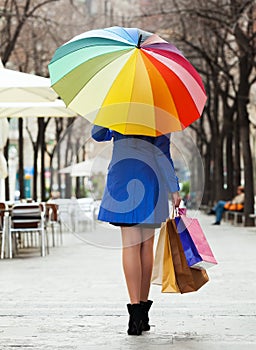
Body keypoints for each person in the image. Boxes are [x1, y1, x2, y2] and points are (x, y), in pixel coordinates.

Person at [91, 125, 181, 336]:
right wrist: (174, 188)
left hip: (122, 176)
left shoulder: (117, 107)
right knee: (146, 245)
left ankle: (134, 315)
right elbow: (163, 153)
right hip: (150, 177)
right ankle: (142, 311)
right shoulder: (158, 111)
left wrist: (107, 113)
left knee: (130, 245)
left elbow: (97, 134)